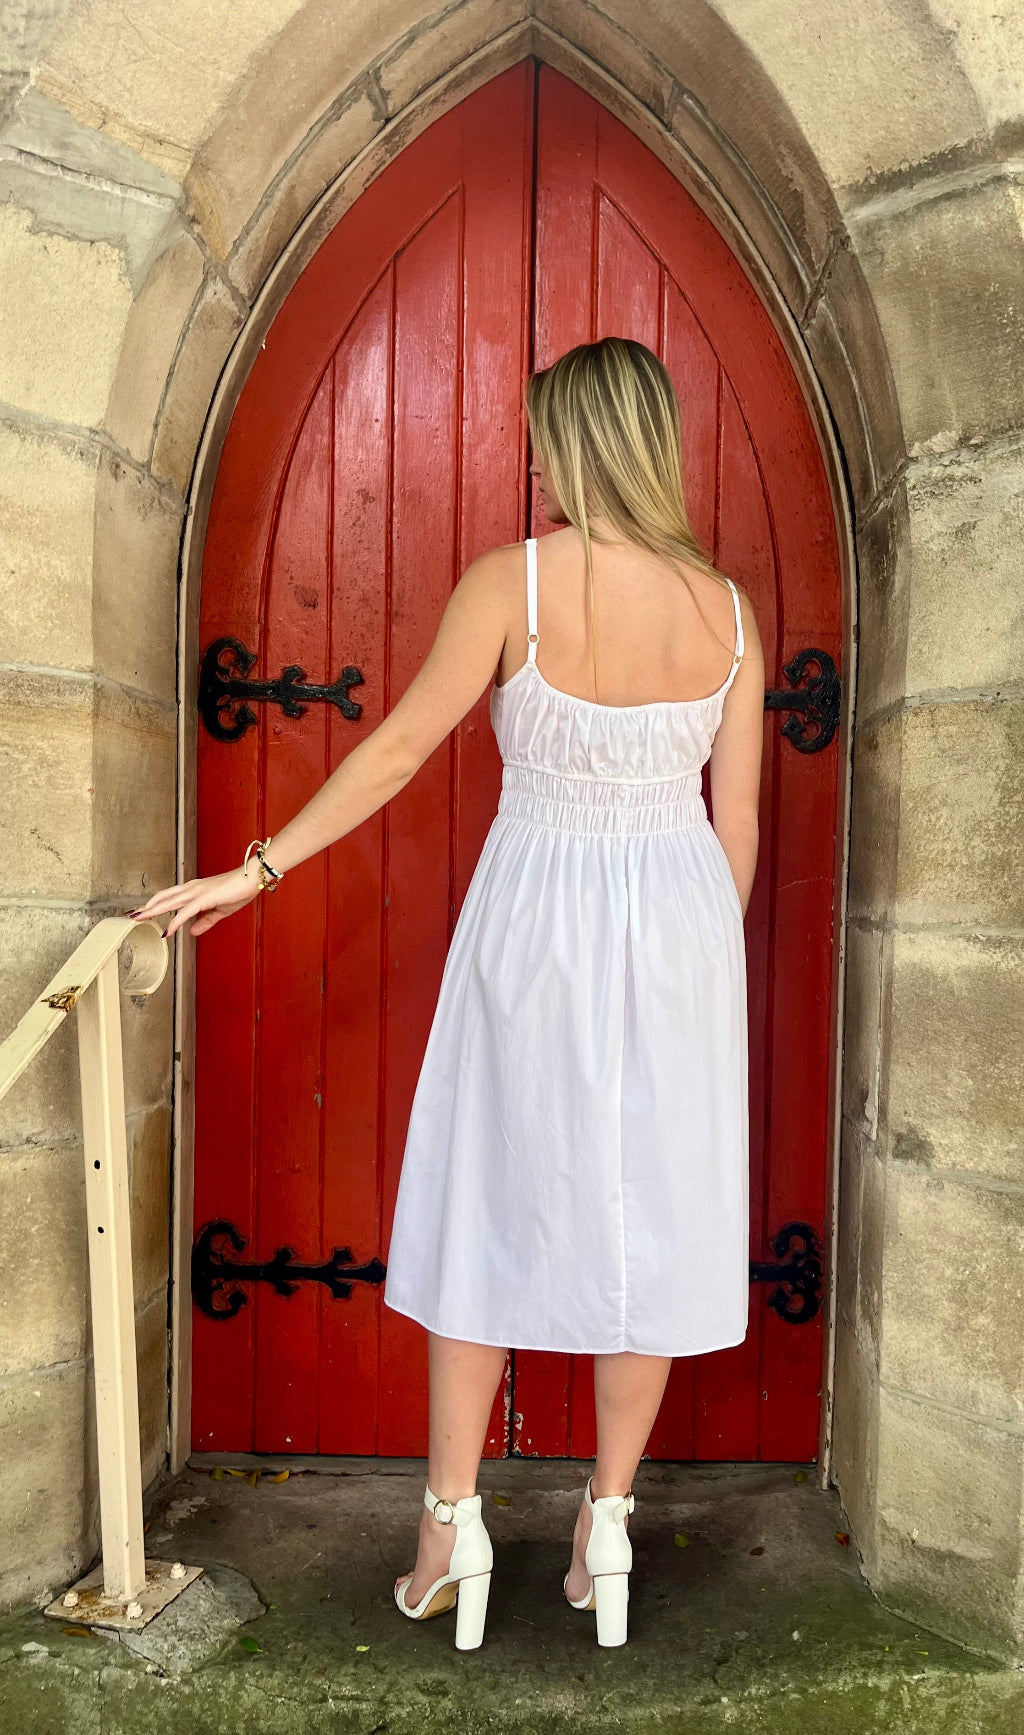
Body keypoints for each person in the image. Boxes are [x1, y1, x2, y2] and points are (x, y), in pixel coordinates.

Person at [129, 335, 764, 1651]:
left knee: (491, 1192)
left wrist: (259, 867)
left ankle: (447, 1528)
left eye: (541, 434)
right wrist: (703, 953)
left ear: (580, 442)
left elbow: (406, 744)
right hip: (683, 931)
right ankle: (608, 1524)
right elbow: (740, 825)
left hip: (536, 914)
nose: (530, 456)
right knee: (644, 1216)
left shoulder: (515, 582)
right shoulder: (731, 611)